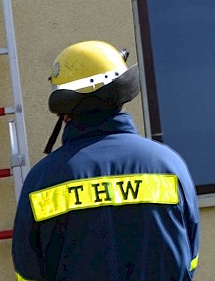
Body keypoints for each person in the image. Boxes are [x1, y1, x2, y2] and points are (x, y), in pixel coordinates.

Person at [12, 41, 200, 281]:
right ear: (120, 93)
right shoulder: (169, 166)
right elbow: (189, 259)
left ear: (65, 107)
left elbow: (27, 273)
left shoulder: (42, 180)